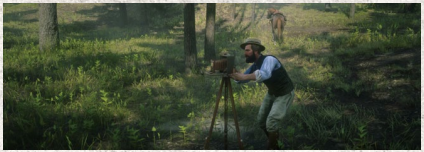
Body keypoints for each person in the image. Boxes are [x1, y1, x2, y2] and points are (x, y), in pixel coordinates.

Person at [229, 38, 294, 150]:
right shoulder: (255, 65)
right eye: (245, 51)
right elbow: (242, 79)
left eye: (247, 50)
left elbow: (264, 74)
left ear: (256, 51)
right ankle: (277, 143)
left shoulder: (269, 59)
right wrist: (234, 74)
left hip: (284, 93)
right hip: (272, 93)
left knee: (271, 122)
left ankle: (272, 147)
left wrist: (244, 76)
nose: (245, 54)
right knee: (261, 121)